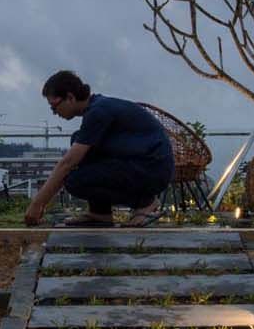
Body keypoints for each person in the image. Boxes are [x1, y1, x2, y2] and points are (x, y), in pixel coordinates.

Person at [23, 72, 175, 227]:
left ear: (70, 97)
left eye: (54, 107)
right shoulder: (97, 107)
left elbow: (67, 163)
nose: (55, 113)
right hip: (144, 164)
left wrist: (37, 204)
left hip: (153, 169)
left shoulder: (98, 112)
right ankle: (100, 213)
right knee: (78, 139)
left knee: (74, 180)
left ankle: (145, 202)